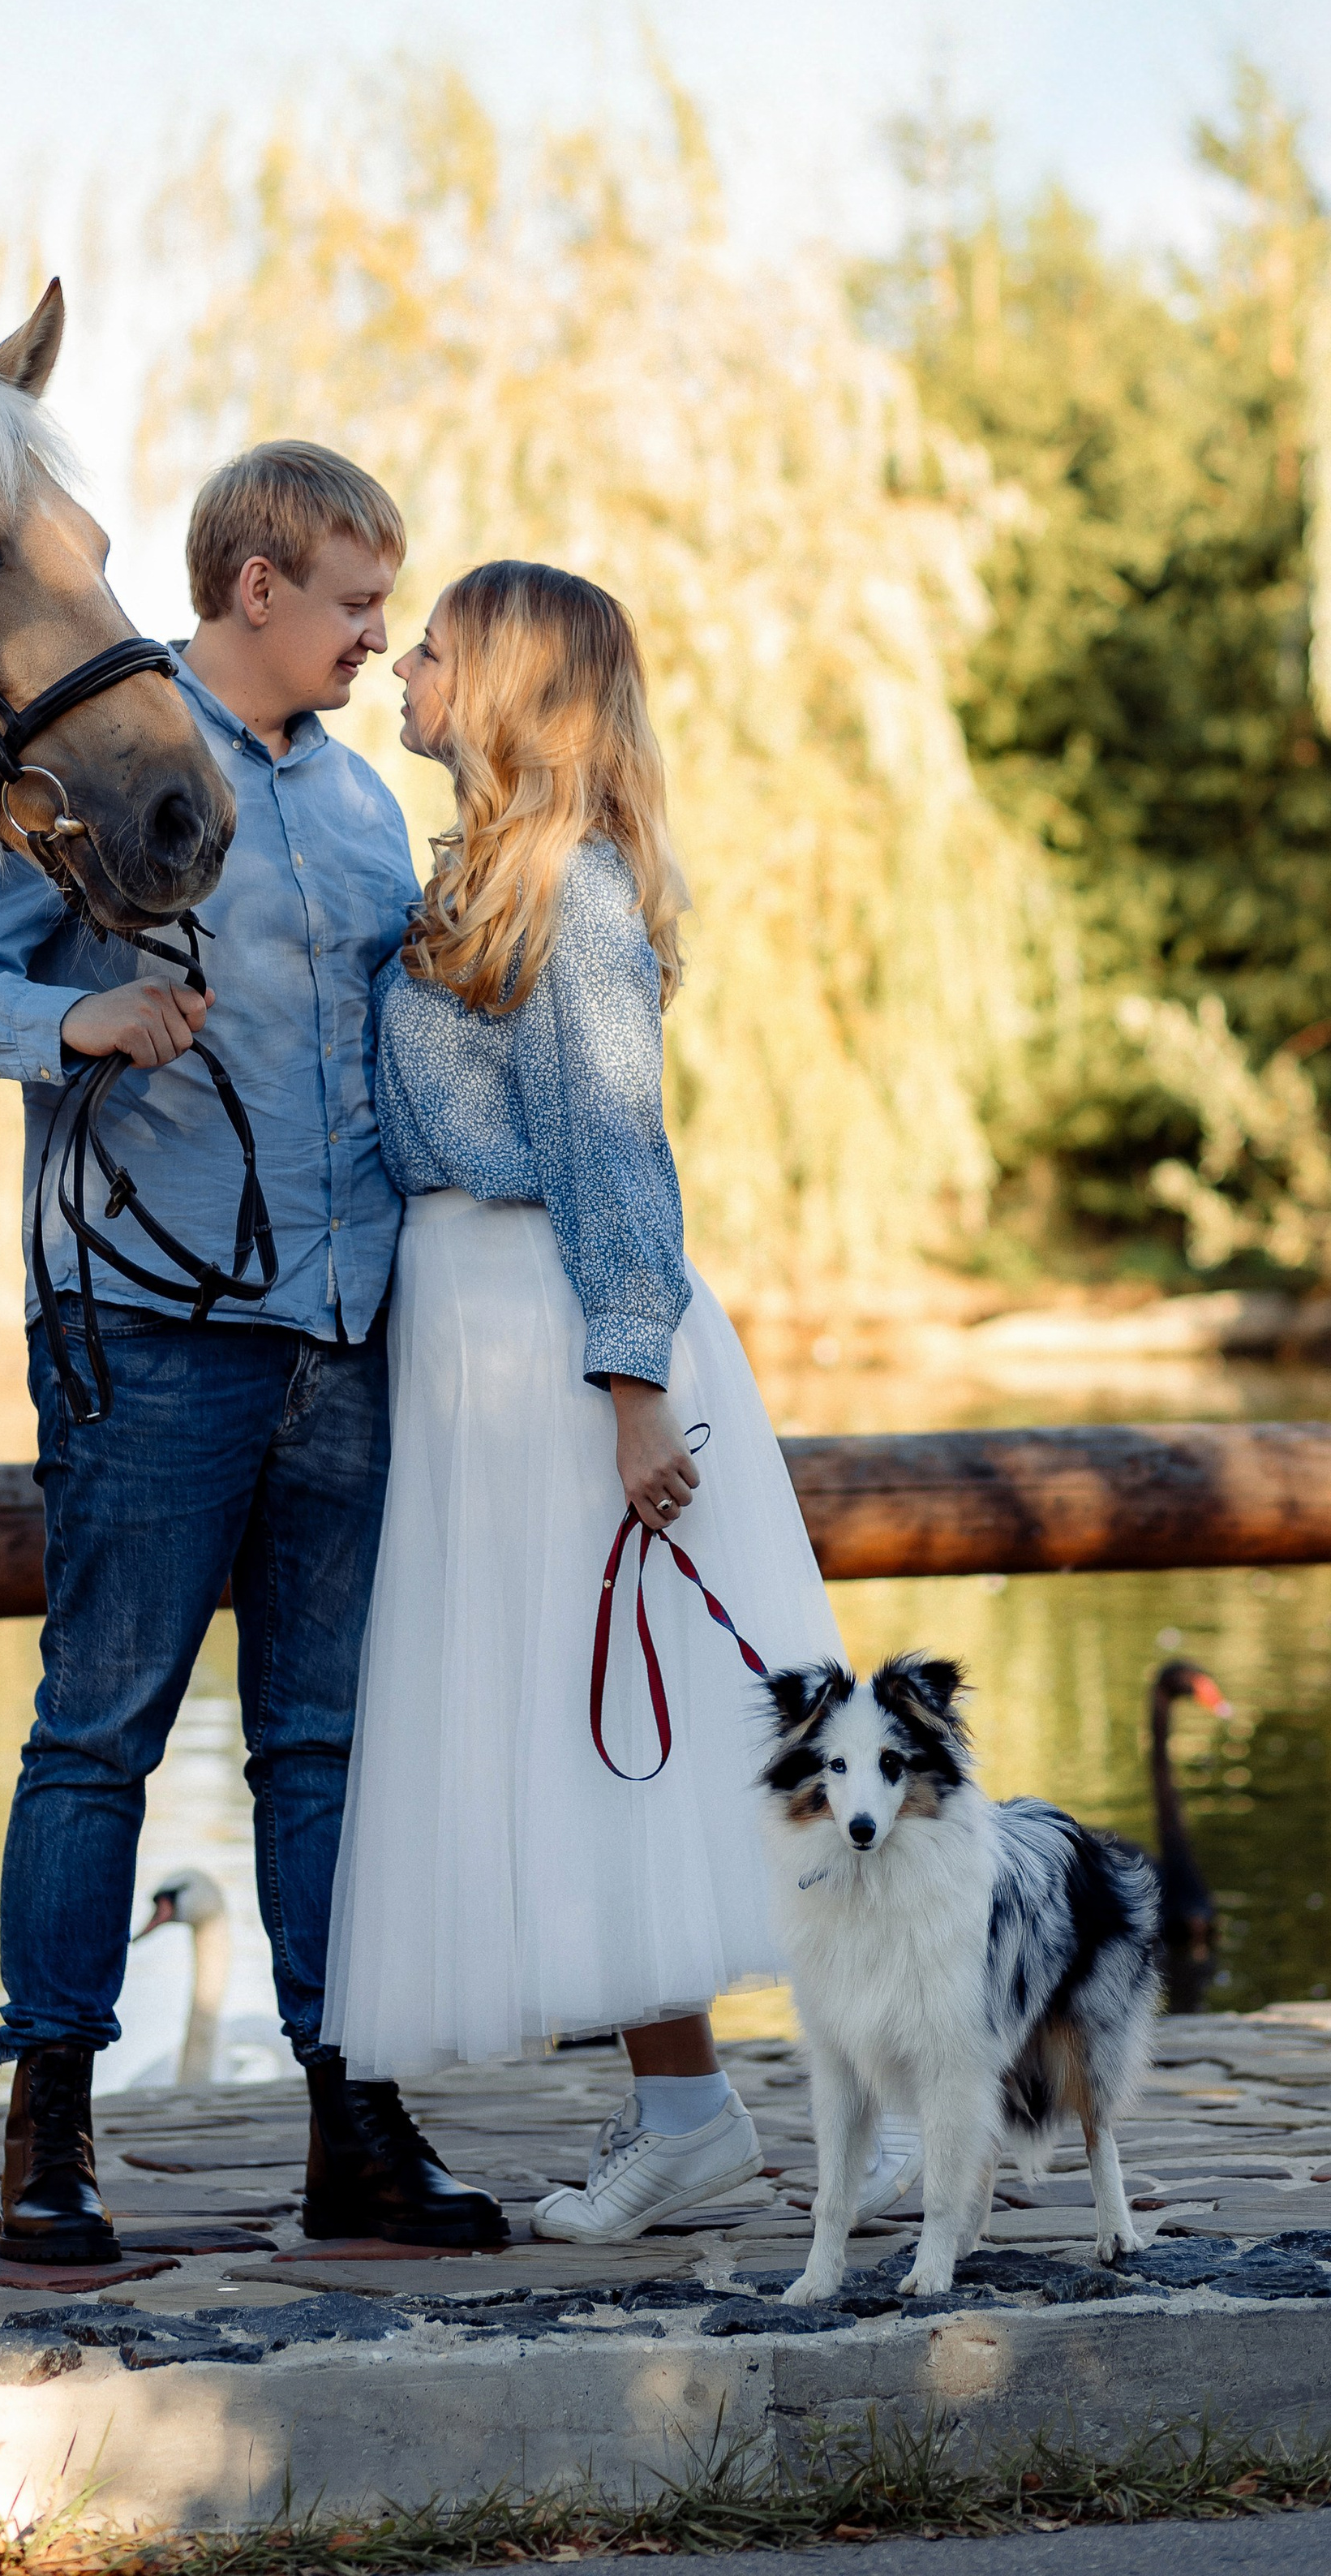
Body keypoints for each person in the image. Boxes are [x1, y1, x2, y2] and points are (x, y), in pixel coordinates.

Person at [0, 443, 506, 2265]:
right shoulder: (97, 760)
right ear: (256, 588)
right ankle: (49, 2132)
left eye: (387, 611)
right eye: (356, 605)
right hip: (146, 1337)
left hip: (343, 1337)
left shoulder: (365, 810)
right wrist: (77, 1020)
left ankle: (352, 2126)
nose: (377, 639)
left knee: (323, 1746)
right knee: (99, 1739)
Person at [323, 561, 916, 2243]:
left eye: (434, 649)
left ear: (506, 686)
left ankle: (892, 2102)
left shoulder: (573, 892)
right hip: (476, 1349)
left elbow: (610, 1150)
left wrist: (633, 1384)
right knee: (586, 1748)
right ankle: (685, 2116)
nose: (403, 668)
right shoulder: (476, 879)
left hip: (564, 1344)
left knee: (685, 1733)